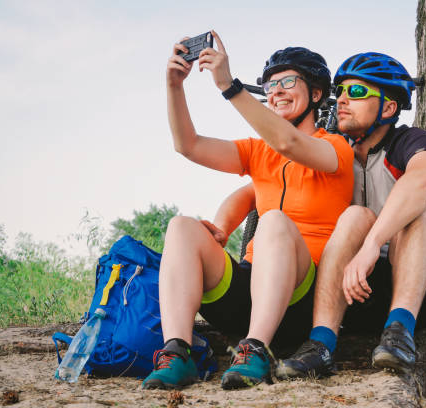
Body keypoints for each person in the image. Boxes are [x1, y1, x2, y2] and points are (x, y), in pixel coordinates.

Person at [141, 30, 354, 391]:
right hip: (249, 289)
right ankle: (177, 353)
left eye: (288, 81)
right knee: (181, 227)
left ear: (317, 94)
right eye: (270, 85)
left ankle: (256, 350)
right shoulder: (258, 152)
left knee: (271, 222)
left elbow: (288, 142)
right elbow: (187, 145)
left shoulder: (336, 149)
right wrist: (175, 85)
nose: (276, 90)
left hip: (299, 296)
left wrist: (229, 86)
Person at [212, 52, 426, 379]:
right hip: (344, 286)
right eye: (343, 92)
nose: (344, 100)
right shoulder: (334, 147)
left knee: (417, 214)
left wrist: (372, 244)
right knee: (353, 217)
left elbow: (424, 180)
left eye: (359, 92)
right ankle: (321, 345)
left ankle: (399, 331)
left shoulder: (409, 141)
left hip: (405, 278)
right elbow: (254, 192)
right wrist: (221, 226)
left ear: (389, 108)